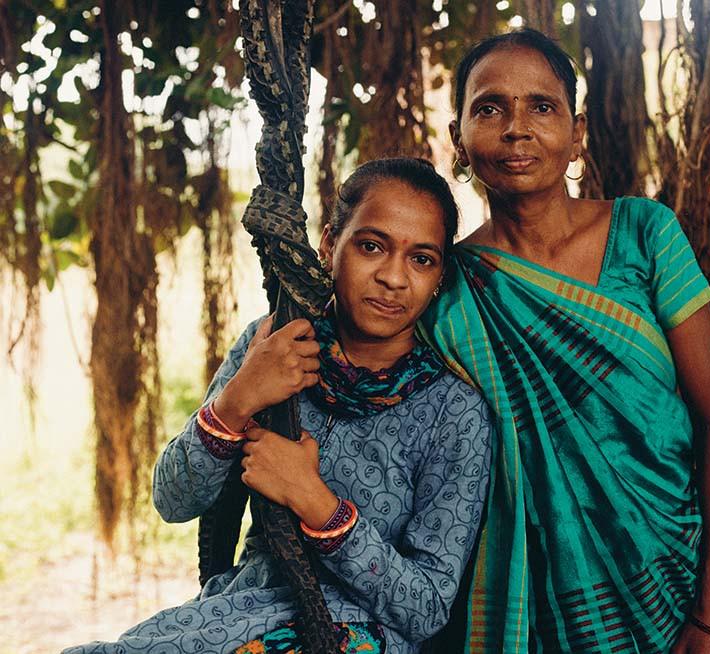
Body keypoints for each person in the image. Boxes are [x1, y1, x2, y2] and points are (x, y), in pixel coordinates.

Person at [64, 157, 492, 654]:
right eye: (371, 246)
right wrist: (238, 400)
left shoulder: (453, 412)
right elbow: (173, 500)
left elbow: (427, 608)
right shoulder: (273, 344)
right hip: (238, 613)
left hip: (360, 637)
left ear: (440, 274)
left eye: (421, 259)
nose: (394, 278)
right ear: (331, 243)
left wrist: (316, 502)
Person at [419, 29, 710, 653]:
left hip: (677, 580)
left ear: (576, 135)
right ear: (459, 139)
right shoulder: (444, 288)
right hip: (533, 602)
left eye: (541, 107)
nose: (517, 128)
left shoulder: (646, 234)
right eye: (489, 108)